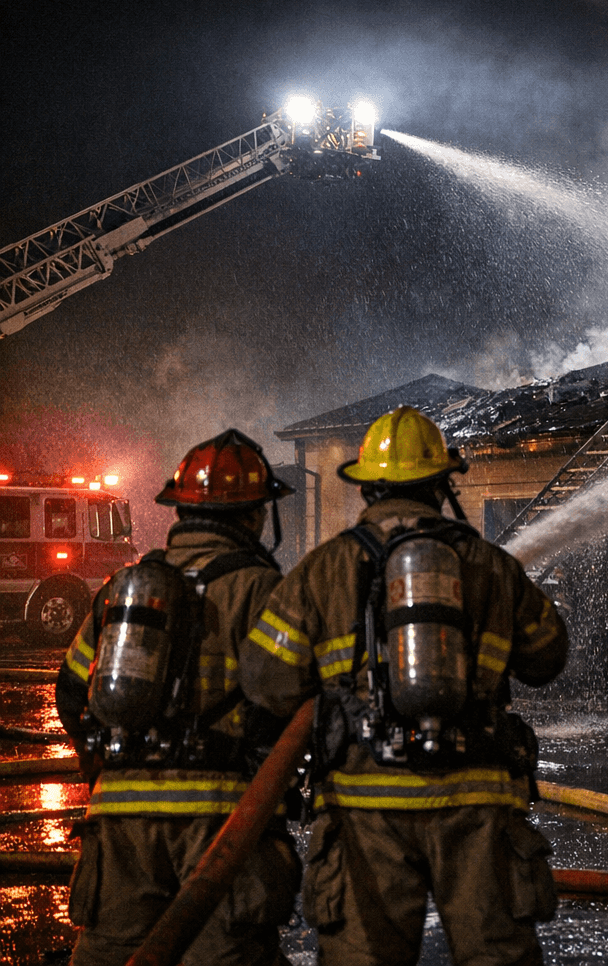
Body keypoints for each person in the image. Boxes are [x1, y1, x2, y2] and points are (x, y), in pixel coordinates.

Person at [241, 406, 568, 966]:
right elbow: (547, 658)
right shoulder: (492, 566)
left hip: (364, 806)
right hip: (477, 803)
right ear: (442, 484)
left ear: (369, 487)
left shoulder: (324, 569)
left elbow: (266, 682)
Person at [56, 429, 299, 966]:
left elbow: (71, 694)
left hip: (119, 822)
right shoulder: (262, 589)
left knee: (109, 955)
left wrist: (110, 771)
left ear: (180, 511)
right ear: (256, 516)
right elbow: (290, 701)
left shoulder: (125, 586)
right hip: (220, 823)